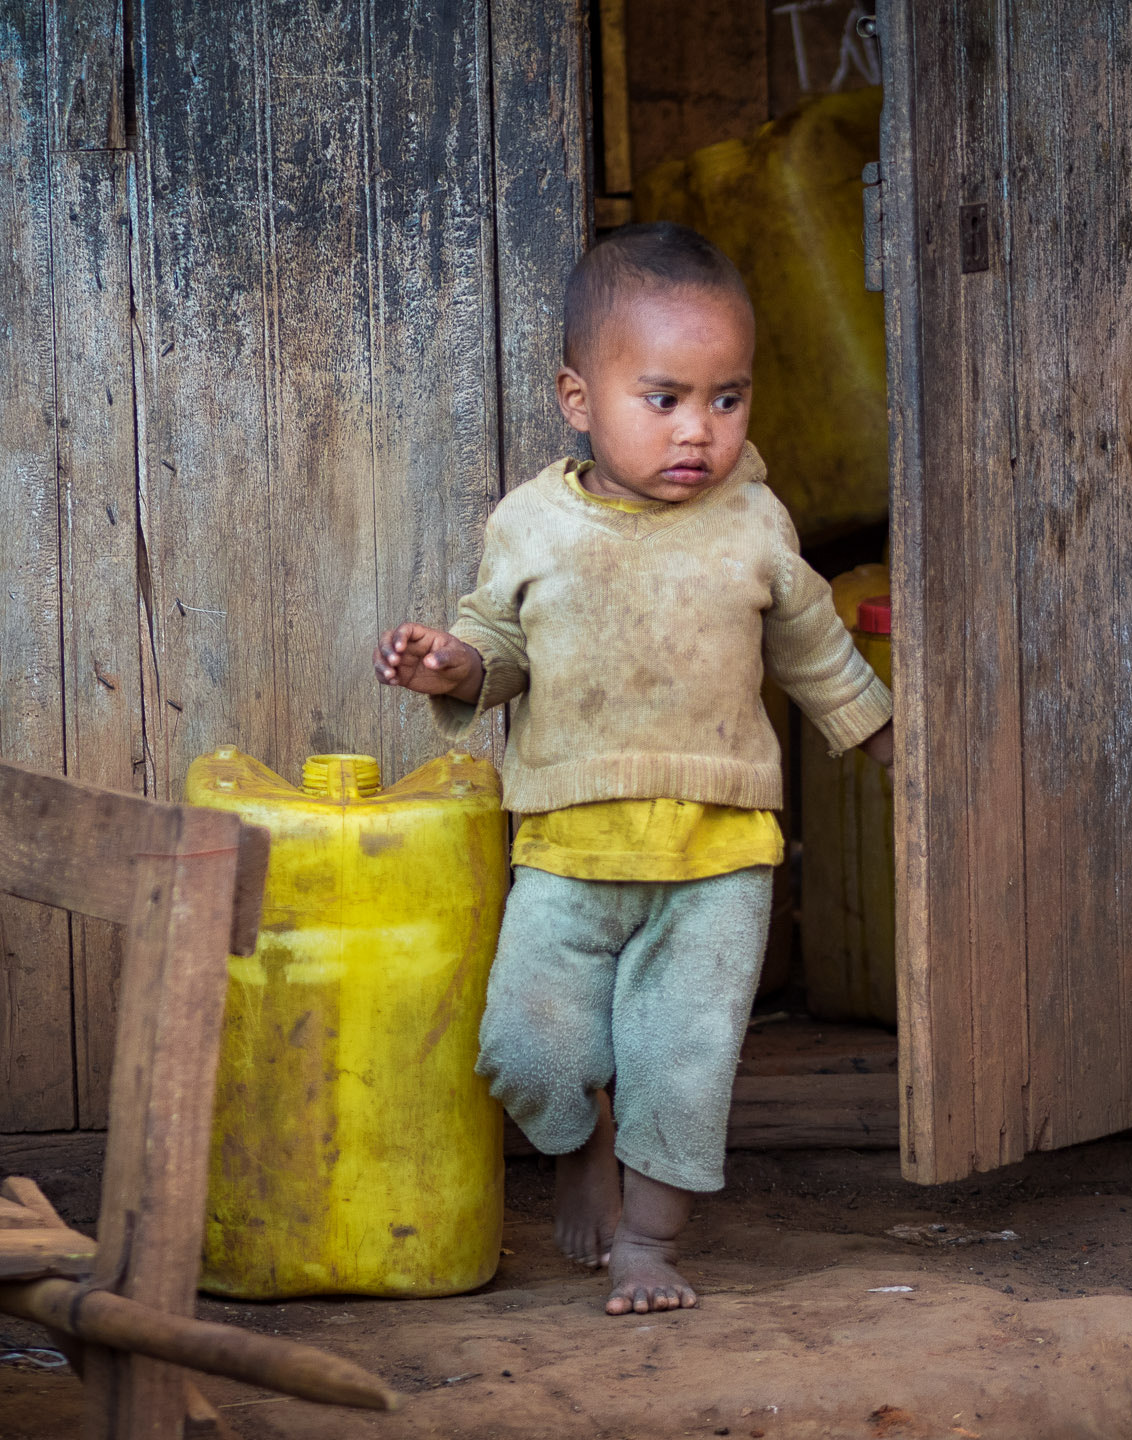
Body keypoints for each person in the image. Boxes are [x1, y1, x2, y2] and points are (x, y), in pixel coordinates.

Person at [375, 221, 893, 1316]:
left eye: (726, 398)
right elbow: (499, 652)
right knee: (526, 1045)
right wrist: (451, 665)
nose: (696, 431)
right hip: (567, 850)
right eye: (662, 399)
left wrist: (890, 746)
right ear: (578, 398)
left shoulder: (753, 525)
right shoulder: (531, 526)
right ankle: (578, 1142)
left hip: (717, 856)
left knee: (685, 1061)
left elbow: (813, 649)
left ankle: (649, 1247)